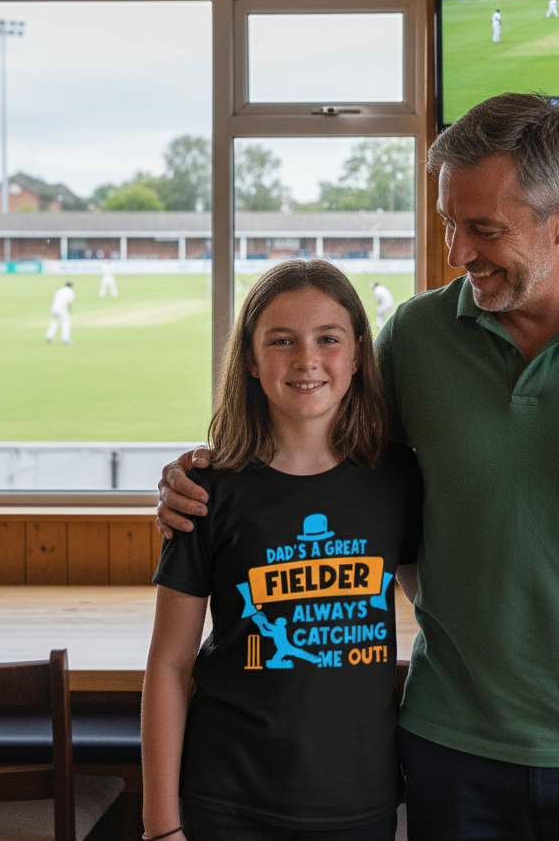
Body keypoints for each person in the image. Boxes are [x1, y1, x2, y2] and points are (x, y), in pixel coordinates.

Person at [156, 94, 559, 841]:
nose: (457, 251)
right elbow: (319, 440)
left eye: (483, 229)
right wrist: (201, 473)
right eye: (449, 222)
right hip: (453, 744)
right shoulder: (416, 336)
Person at [142, 259, 422, 841]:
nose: (306, 360)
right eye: (281, 341)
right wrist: (160, 827)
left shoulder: (398, 478)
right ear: (249, 357)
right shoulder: (206, 490)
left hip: (360, 799)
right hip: (228, 799)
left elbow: (441, 617)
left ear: (357, 353)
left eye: (328, 339)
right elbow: (169, 665)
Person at [44, 280, 74, 344]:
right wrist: (70, 310)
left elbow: (54, 299)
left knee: (55, 321)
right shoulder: (70, 291)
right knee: (66, 322)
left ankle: (49, 336)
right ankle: (65, 339)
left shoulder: (60, 290)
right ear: (71, 285)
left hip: (54, 307)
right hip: (62, 308)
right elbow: (70, 302)